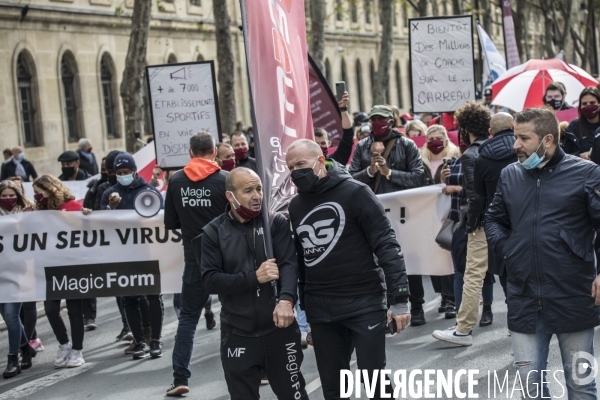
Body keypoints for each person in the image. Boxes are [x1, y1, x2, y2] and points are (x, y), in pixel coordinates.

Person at [486, 107, 600, 399]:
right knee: (530, 387)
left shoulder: (587, 174)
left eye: (523, 138)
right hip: (523, 295)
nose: (515, 145)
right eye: (515, 136)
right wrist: (508, 248)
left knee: (581, 385)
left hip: (573, 293)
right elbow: (494, 219)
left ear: (547, 139)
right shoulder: (510, 175)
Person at [287, 139, 410, 399]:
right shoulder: (296, 206)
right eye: (290, 167)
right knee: (333, 388)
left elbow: (387, 246)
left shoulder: (356, 192)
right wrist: (307, 313)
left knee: (374, 381)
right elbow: (301, 261)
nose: (296, 171)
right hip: (322, 311)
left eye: (301, 164)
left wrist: (399, 301)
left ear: (321, 160)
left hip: (363, 303)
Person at [200, 167, 308, 400]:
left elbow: (289, 265)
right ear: (231, 196)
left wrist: (286, 301)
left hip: (279, 330)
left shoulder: (274, 222)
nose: (257, 195)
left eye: (259, 188)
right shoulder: (212, 232)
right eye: (248, 190)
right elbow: (210, 281)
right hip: (237, 333)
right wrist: (253, 277)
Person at [164, 132, 229, 397]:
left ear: (190, 152)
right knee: (238, 313)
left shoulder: (177, 180)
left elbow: (171, 224)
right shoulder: (225, 180)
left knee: (188, 319)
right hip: (227, 257)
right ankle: (256, 373)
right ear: (214, 152)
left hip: (196, 258)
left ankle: (180, 377)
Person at [349, 105, 426, 325]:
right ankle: (385, 309)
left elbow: (419, 177)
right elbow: (350, 178)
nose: (376, 123)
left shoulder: (407, 145)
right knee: (376, 261)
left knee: (409, 259)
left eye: (381, 119)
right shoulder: (362, 146)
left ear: (390, 122)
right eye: (373, 119)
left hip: (403, 211)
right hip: (371, 211)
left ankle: (417, 306)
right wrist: (370, 171)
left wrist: (389, 172)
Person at [432, 101, 491, 346]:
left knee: (472, 274)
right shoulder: (501, 147)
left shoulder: (470, 155)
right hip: (506, 219)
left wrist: (471, 223)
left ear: (465, 129)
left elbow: (474, 194)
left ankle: (463, 329)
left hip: (479, 222)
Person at [101, 152, 164, 360]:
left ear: (134, 171)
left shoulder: (148, 191)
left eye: (126, 172)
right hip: (123, 255)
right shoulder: (109, 194)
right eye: (119, 173)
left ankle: (155, 340)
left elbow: (160, 220)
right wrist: (110, 209)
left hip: (148, 253)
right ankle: (139, 341)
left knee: (154, 296)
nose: (122, 175)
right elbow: (102, 224)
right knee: (130, 298)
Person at [33, 175, 91, 368]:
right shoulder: (37, 212)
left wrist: (87, 217)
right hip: (50, 268)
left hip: (73, 266)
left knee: (75, 310)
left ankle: (77, 350)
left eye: (38, 193)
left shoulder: (72, 206)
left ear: (51, 189)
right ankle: (64, 345)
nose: (36, 197)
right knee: (50, 309)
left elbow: (88, 229)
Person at [473, 112, 517, 303]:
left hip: (498, 220)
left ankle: (513, 308)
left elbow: (479, 192)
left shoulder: (481, 159)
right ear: (514, 127)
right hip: (526, 213)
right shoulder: (524, 149)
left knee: (505, 265)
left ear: (491, 132)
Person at [420, 125, 460, 317]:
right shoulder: (422, 160)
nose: (434, 141)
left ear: (445, 139)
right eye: (431, 138)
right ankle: (443, 296)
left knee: (446, 256)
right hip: (428, 214)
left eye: (438, 137)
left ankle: (450, 297)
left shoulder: (454, 157)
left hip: (448, 212)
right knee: (433, 256)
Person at [0, 180, 37, 378]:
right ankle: (26, 348)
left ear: (18, 195)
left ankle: (13, 359)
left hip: (19, 271)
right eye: (3, 196)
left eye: (11, 195)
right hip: (0, 273)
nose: (7, 199)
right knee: (6, 316)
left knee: (12, 315)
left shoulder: (26, 213)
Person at [314, 91, 356, 165]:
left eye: (323, 143)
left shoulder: (336, 161)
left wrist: (343, 108)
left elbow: (348, 135)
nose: (320, 147)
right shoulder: (303, 165)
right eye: (316, 144)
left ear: (329, 143)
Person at [564, 86, 600, 160]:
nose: (588, 106)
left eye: (592, 103)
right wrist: (580, 156)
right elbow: (564, 156)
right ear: (580, 106)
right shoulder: (573, 127)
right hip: (583, 169)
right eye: (584, 104)